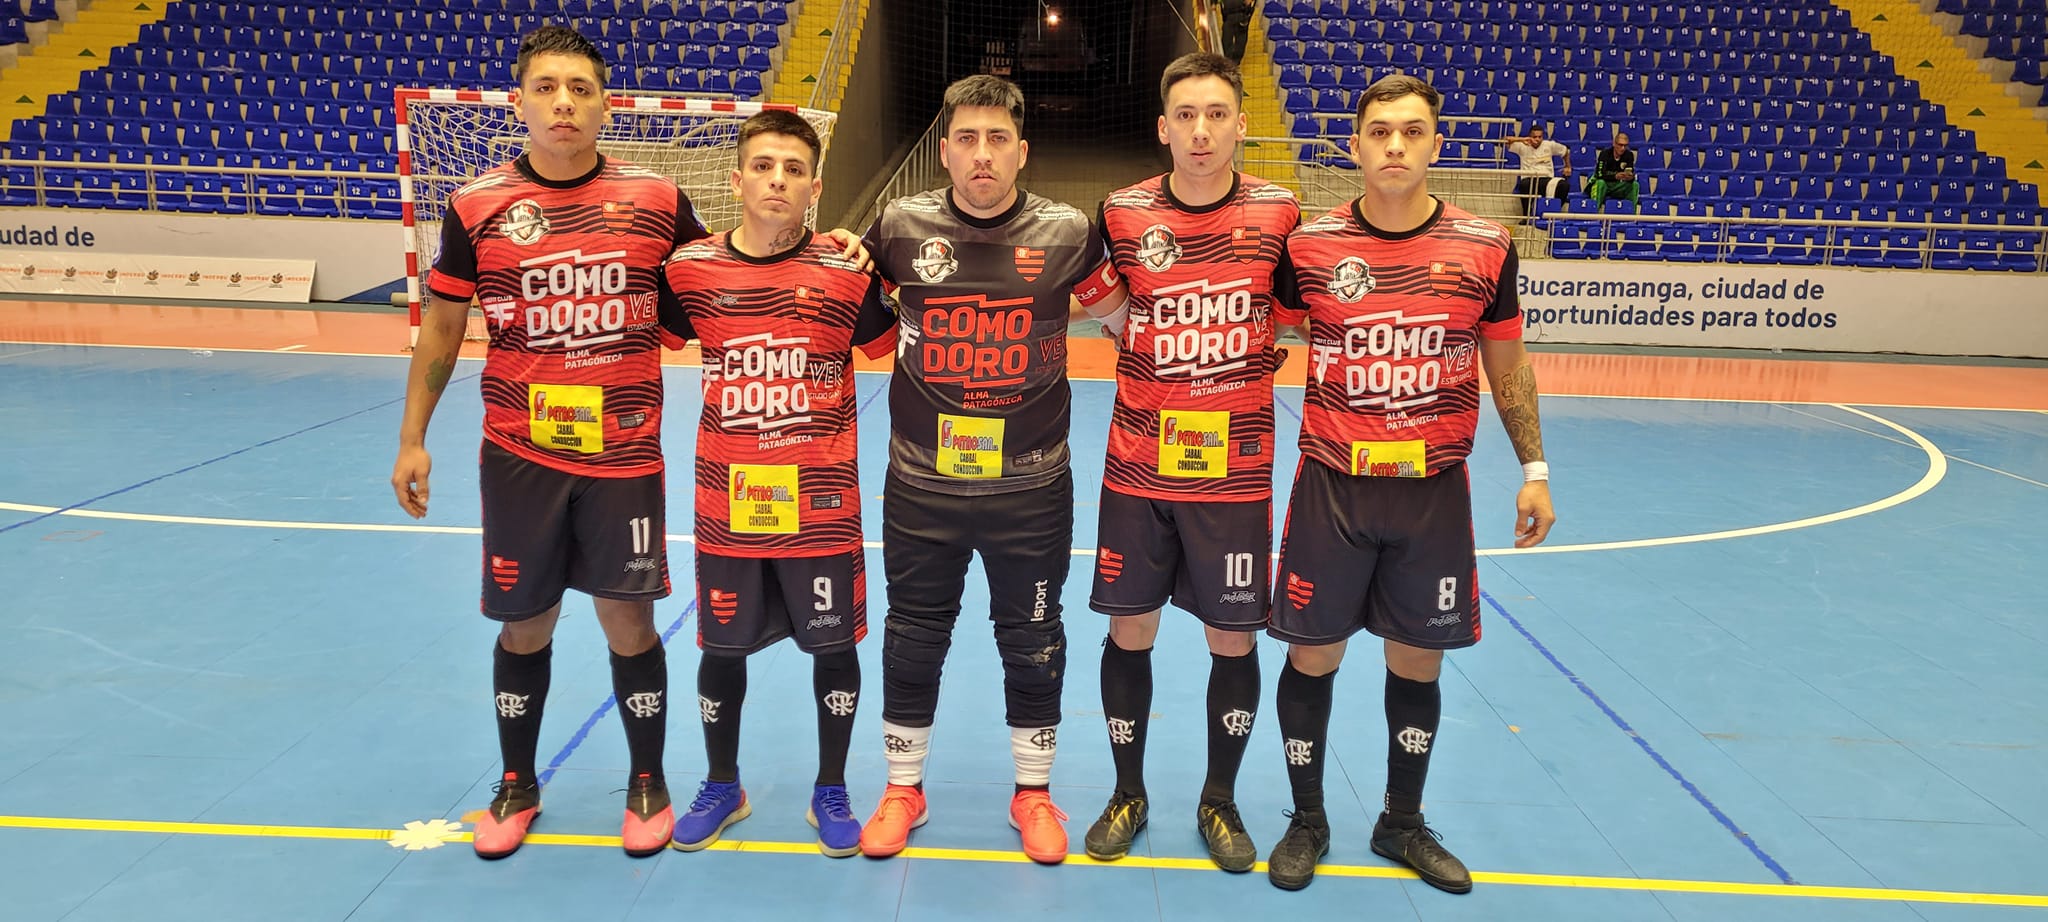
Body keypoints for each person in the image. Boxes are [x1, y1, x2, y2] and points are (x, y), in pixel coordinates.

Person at [390, 26, 704, 860]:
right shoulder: (476, 204)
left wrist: (825, 253)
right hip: (519, 455)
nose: (564, 102)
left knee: (629, 622)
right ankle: (517, 782)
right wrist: (413, 438)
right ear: (520, 103)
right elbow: (444, 326)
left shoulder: (658, 200)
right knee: (524, 625)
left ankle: (647, 780)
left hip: (624, 458)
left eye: (580, 88)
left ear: (606, 105)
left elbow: (721, 280)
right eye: (546, 87)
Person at [1264, 74, 1557, 893]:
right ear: (1355, 145)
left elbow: (1508, 364)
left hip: (1432, 493)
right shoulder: (1309, 247)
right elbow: (1259, 334)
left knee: (1419, 661)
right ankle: (1307, 819)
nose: (1395, 145)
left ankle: (1401, 821)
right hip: (1332, 486)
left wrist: (1535, 471)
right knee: (1311, 654)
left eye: (1412, 131)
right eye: (1380, 131)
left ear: (1436, 143)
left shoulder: (1485, 247)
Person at [855, 74, 1130, 866]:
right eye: (968, 139)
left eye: (998, 139)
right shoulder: (899, 227)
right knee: (913, 637)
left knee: (1034, 637)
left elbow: (1128, 325)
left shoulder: (1068, 233)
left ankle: (1033, 793)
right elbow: (862, 320)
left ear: (1022, 151)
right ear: (945, 151)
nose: (983, 154)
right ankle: (903, 788)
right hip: (921, 484)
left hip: (1032, 489)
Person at [655, 110, 896, 858]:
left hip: (822, 505)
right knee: (720, 648)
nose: (777, 181)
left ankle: (832, 789)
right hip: (727, 504)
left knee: (835, 646)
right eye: (763, 166)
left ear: (815, 188)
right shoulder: (690, 271)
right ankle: (722, 784)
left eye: (794, 170)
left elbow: (892, 346)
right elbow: (645, 339)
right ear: (736, 180)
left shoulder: (846, 272)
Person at [1081, 52, 1300, 874]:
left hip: (1234, 476)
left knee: (1232, 639)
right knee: (1128, 630)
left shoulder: (1280, 212)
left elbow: (1299, 311)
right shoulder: (1122, 212)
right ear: (1163, 128)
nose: (1201, 131)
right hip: (1137, 469)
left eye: (1216, 114)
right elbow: (1105, 305)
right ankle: (1126, 793)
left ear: (1241, 125)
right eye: (1186, 115)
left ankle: (1219, 801)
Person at [1503, 124, 1570, 216]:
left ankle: (1554, 210)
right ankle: (1526, 215)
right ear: (1530, 136)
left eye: (1540, 137)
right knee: (1524, 185)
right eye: (1534, 137)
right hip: (1529, 179)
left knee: (1564, 185)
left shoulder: (1549, 145)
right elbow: (1505, 140)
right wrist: (1522, 139)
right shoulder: (1522, 146)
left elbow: (1565, 151)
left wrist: (1567, 166)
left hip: (1547, 179)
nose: (1537, 139)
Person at [1589, 131, 1639, 208]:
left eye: (1625, 146)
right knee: (1600, 183)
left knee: (1635, 185)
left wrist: (1630, 177)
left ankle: (1630, 212)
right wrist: (1615, 176)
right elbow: (1600, 174)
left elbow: (1630, 171)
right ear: (1614, 144)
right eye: (1620, 145)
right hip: (1606, 184)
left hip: (1619, 185)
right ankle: (1594, 211)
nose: (1623, 148)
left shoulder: (1629, 155)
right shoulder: (1605, 154)